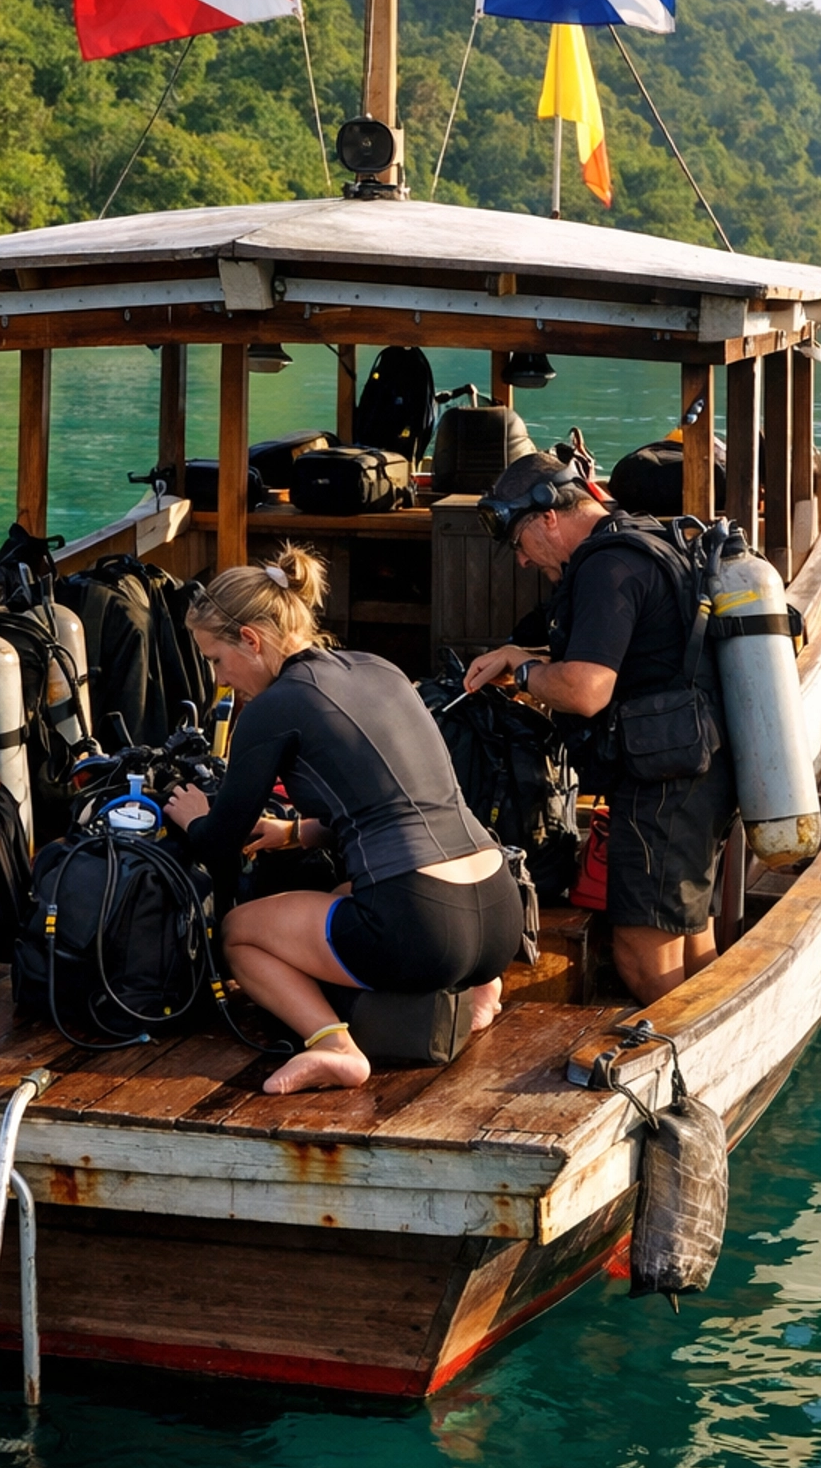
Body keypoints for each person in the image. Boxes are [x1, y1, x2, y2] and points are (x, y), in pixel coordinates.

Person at [162, 547, 524, 1095]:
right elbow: (394, 801)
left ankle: (333, 1047)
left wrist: (193, 818)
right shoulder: (379, 668)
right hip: (499, 914)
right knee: (343, 890)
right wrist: (292, 831)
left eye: (216, 660)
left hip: (424, 929)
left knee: (239, 935)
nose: (220, 679)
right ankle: (482, 991)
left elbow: (218, 845)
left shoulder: (270, 709)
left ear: (251, 641)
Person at [462, 449, 735, 1006]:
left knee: (640, 950)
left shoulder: (606, 567)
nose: (521, 562)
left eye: (519, 544)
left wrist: (526, 673)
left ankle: (692, 1065)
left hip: (663, 785)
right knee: (689, 924)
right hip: (695, 767)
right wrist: (522, 652)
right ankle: (716, 1033)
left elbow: (586, 690)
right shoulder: (634, 539)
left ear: (548, 518)